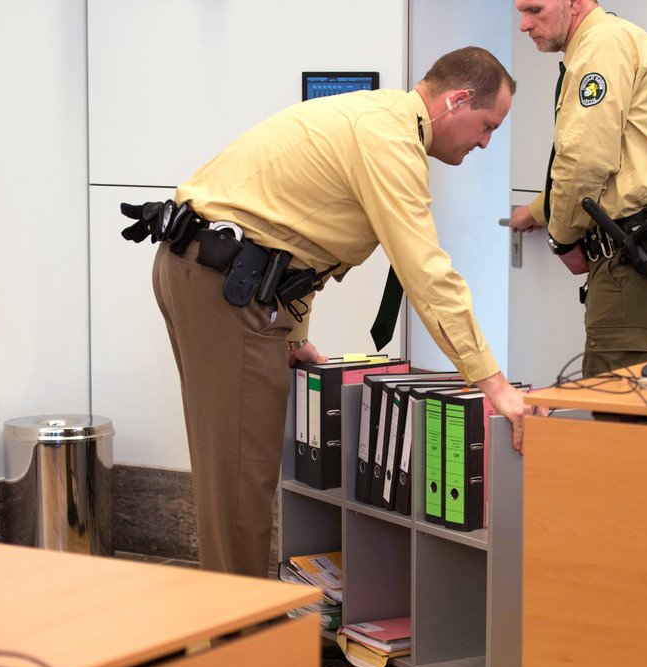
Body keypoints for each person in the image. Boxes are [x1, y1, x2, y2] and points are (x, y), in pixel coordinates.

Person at [123, 47, 536, 581]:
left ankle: (241, 619)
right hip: (224, 286)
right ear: (457, 101)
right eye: (488, 126)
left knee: (234, 475)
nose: (485, 143)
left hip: (215, 275)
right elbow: (428, 276)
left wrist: (292, 338)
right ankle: (239, 629)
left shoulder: (377, 117)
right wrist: (493, 385)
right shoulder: (390, 140)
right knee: (238, 486)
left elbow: (299, 241)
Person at [510, 0, 647, 377]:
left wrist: (563, 239)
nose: (524, 25)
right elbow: (620, 163)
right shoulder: (611, 40)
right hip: (645, 247)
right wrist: (540, 211)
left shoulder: (601, 46)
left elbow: (585, 160)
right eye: (520, 11)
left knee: (614, 398)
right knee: (634, 392)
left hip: (635, 253)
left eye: (535, 10)